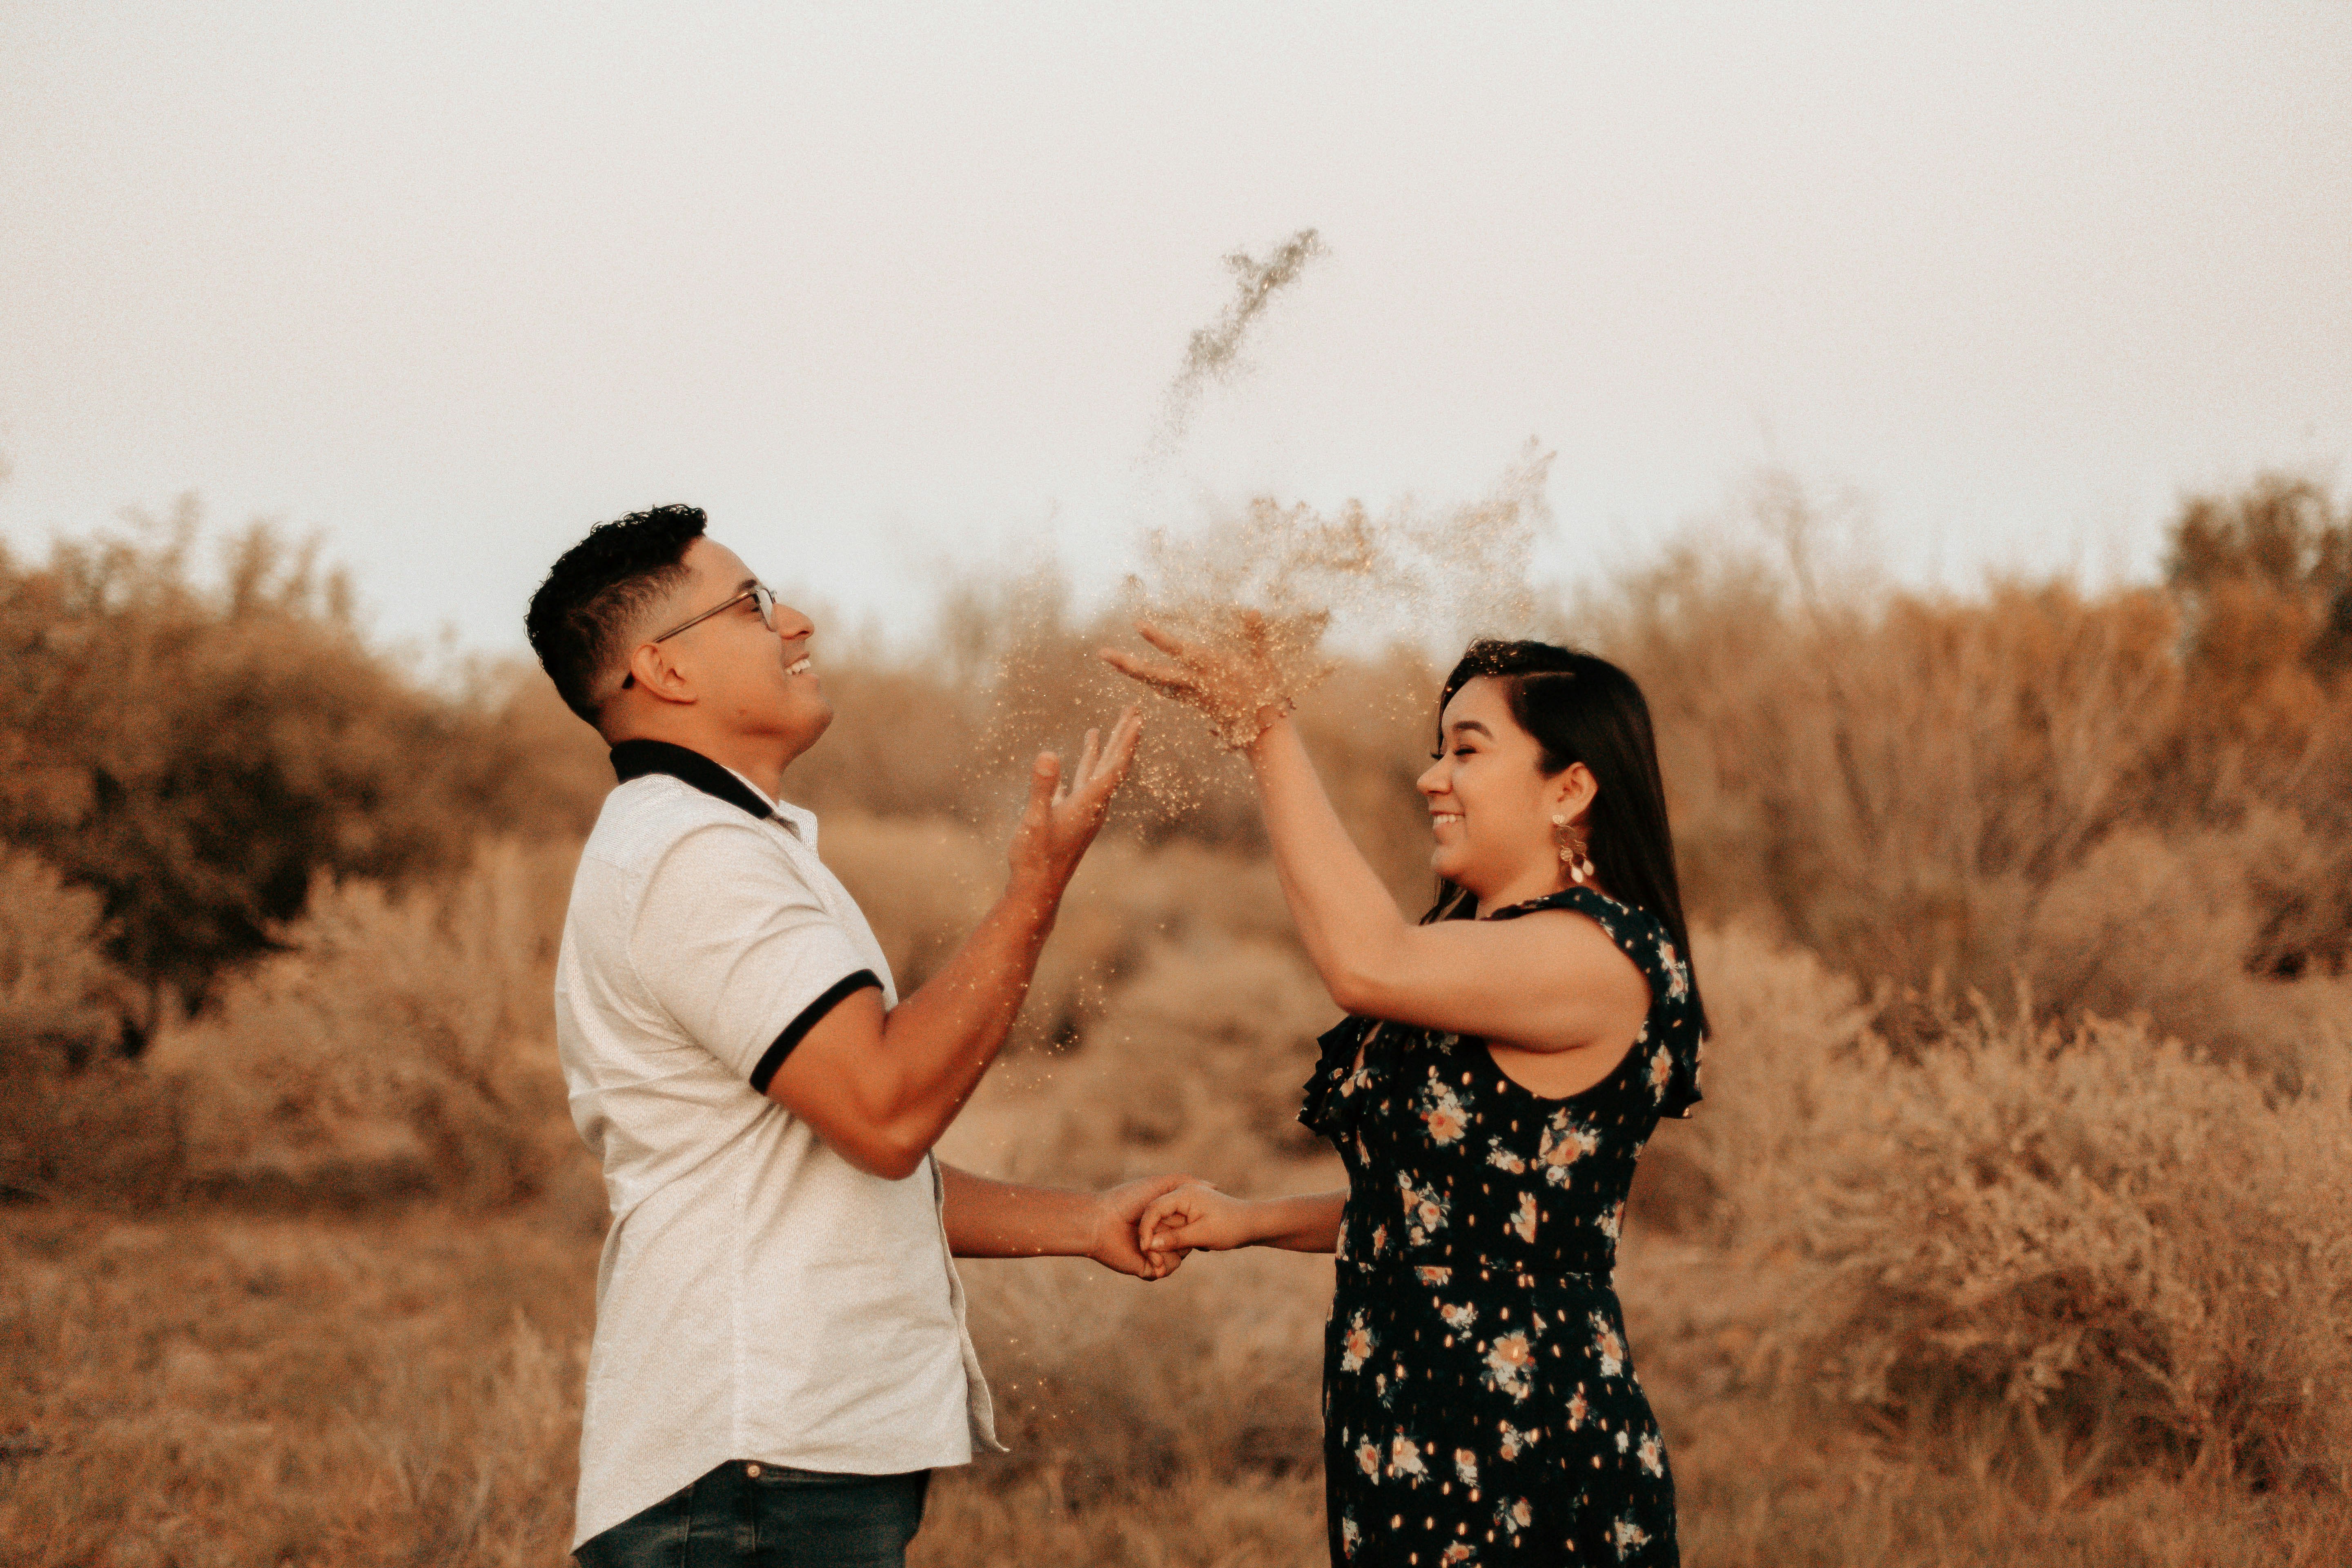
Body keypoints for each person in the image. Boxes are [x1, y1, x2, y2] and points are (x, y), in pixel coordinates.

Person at [524, 505, 1187, 1568]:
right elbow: (884, 1114)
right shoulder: (695, 857)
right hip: (749, 1470)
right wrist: (1035, 893)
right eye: (753, 605)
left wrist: (1086, 1219)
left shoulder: (722, 842)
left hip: (770, 1464)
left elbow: (837, 1158)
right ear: (664, 669)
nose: (800, 625)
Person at [1104, 628, 1705, 1568]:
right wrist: (1251, 1220)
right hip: (1403, 1439)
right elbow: (1449, 1214)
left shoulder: (1597, 955)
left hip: (1520, 1456)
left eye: (1467, 750)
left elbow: (1364, 962)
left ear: (1571, 789)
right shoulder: (1493, 951)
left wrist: (1264, 727)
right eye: (1438, 749)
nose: (1432, 778)